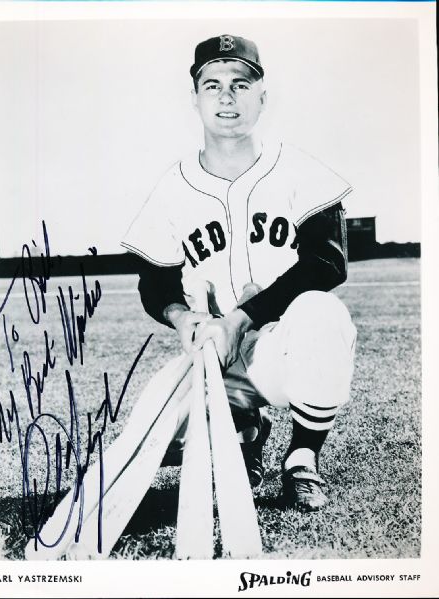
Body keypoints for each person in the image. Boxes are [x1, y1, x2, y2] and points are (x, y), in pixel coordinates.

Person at [122, 34, 357, 512]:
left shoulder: (299, 171)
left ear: (262, 97)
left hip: (284, 349)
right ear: (195, 98)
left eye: (241, 84)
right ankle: (244, 433)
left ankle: (303, 456)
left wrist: (241, 318)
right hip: (215, 358)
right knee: (158, 439)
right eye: (212, 85)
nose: (226, 96)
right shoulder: (172, 186)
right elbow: (155, 283)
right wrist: (181, 318)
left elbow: (327, 262)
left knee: (323, 312)